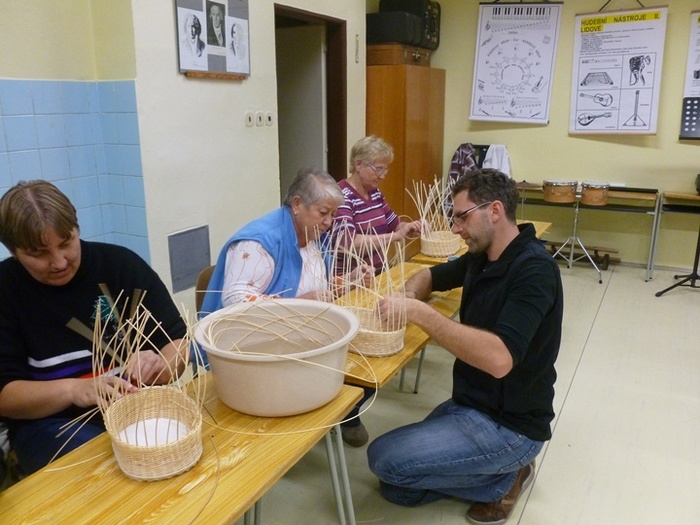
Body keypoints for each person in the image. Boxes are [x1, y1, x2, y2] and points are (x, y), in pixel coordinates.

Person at [368, 169, 563, 525]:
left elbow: (500, 359)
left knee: (383, 459)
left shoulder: (534, 270)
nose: (456, 228)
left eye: (462, 217)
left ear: (495, 211)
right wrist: (409, 296)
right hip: (471, 403)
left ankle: (505, 477)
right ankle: (495, 472)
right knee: (396, 489)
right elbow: (429, 276)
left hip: (510, 425)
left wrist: (419, 313)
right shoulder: (483, 254)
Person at [0, 181, 188, 475]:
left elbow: (178, 342)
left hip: (136, 407)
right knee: (107, 470)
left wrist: (161, 366)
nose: (59, 262)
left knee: (176, 453)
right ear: (13, 251)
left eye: (66, 243)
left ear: (76, 228)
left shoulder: (120, 265)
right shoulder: (6, 290)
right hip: (52, 424)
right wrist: (74, 390)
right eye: (38, 254)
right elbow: (5, 397)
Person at [201, 167, 375, 447]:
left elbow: (316, 288)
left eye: (333, 214)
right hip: (251, 354)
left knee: (363, 367)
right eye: (323, 213)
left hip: (295, 342)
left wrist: (349, 281)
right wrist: (301, 304)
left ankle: (342, 415)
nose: (329, 222)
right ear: (297, 204)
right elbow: (235, 300)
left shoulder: (314, 236)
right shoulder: (258, 243)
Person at [332, 136, 422, 273]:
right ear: (358, 164)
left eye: (385, 170)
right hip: (353, 278)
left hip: (379, 272)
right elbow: (349, 244)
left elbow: (394, 224)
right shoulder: (341, 196)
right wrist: (394, 237)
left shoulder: (374, 193)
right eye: (378, 169)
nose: (382, 176)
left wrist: (410, 227)